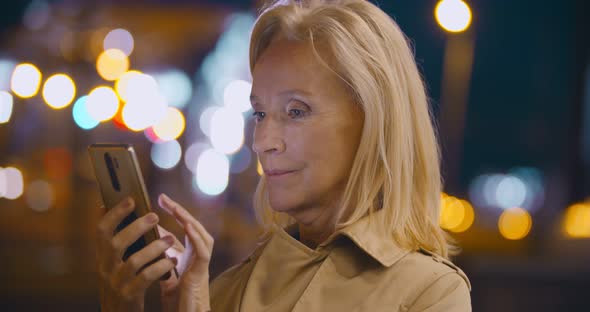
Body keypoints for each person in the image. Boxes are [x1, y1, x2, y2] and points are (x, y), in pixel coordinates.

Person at [95, 0, 472, 311]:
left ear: (373, 122)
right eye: (259, 113)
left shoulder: (432, 293)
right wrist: (122, 302)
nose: (262, 141)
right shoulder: (223, 291)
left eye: (296, 111)